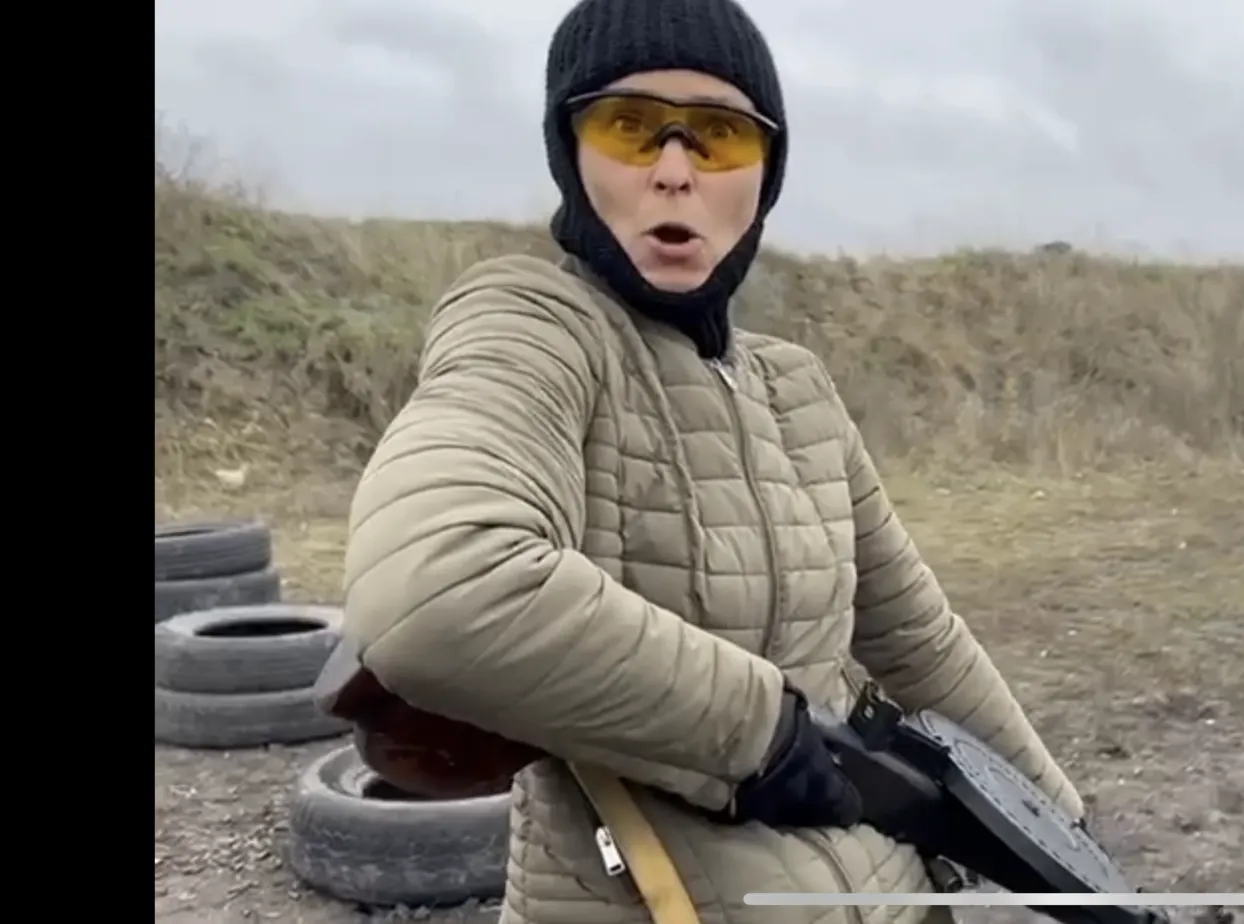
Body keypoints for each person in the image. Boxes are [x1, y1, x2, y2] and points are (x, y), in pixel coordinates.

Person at [337, 0, 1085, 922]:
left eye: (721, 136)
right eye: (629, 126)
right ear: (569, 152)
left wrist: (1068, 838)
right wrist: (760, 735)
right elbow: (441, 588)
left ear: (766, 173)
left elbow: (918, 642)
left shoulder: (796, 386)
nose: (675, 170)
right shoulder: (533, 325)